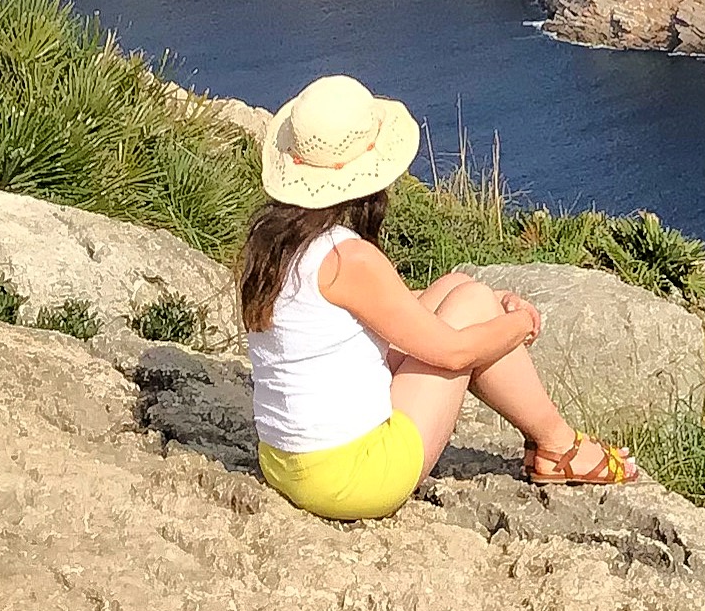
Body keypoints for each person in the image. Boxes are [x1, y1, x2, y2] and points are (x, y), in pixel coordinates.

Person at [237, 73, 634, 521]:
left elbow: (377, 308)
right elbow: (453, 352)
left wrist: (489, 304)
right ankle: (559, 446)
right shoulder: (350, 258)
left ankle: (554, 442)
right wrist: (519, 323)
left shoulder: (274, 243)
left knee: (457, 288)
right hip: (353, 478)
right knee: (473, 303)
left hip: (286, 463)